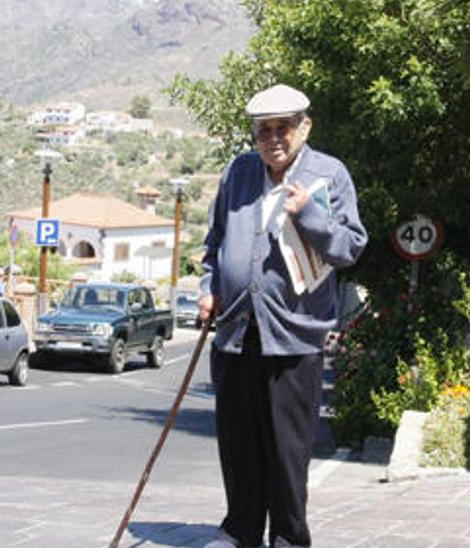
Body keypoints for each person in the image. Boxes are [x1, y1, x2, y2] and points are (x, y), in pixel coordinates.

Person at [199, 84, 367, 548]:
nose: (273, 138)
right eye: (263, 130)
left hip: (294, 335)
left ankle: (289, 538)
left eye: (283, 128)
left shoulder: (328, 174)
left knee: (287, 448)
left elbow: (351, 246)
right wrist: (207, 290)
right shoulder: (239, 172)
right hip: (236, 328)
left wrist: (309, 215)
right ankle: (240, 529)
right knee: (238, 441)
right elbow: (214, 243)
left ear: (304, 127)